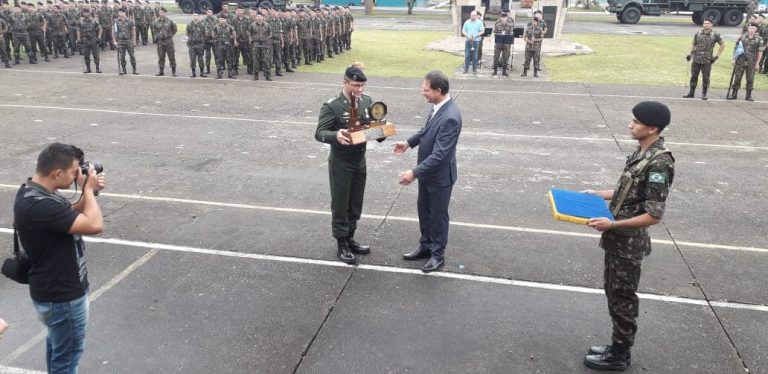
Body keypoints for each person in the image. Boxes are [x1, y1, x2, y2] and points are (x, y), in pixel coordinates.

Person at [583, 101, 675, 371]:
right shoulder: (642, 154)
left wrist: (612, 226)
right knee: (613, 292)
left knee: (622, 297)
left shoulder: (659, 163)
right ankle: (617, 344)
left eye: (636, 122)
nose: (630, 125)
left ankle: (620, 355)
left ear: (653, 128)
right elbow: (629, 192)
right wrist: (600, 193)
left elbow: (654, 215)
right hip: (618, 240)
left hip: (628, 242)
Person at [14, 143, 106, 374]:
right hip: (63, 297)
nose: (79, 174)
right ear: (58, 173)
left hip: (54, 292)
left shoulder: (32, 192)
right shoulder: (39, 204)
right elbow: (94, 225)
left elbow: (69, 214)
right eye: (75, 170)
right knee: (67, 361)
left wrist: (91, 192)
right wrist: (86, 190)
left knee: (58, 351)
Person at [393, 70, 462, 273]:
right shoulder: (437, 108)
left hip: (439, 178)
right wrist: (408, 143)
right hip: (427, 173)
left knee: (438, 216)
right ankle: (426, 246)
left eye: (426, 90)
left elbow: (440, 155)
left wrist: (414, 173)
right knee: (424, 211)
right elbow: (425, 131)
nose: (423, 93)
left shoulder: (450, 117)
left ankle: (437, 255)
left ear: (438, 90)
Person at [314, 66, 375, 265]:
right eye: (356, 85)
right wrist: (336, 135)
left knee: (355, 202)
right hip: (341, 162)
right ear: (345, 82)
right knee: (341, 203)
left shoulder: (366, 101)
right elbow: (320, 133)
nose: (359, 89)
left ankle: (350, 237)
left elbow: (371, 127)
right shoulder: (332, 106)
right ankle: (342, 244)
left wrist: (381, 131)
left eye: (362, 85)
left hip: (360, 160)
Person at [683, 19, 724, 100]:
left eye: (708, 23)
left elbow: (722, 45)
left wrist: (716, 56)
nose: (706, 25)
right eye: (704, 23)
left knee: (706, 78)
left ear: (711, 25)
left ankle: (704, 93)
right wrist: (689, 53)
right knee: (694, 76)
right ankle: (691, 92)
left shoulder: (715, 34)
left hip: (707, 60)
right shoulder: (698, 33)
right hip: (696, 59)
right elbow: (693, 44)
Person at [728, 24, 763, 101]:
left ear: (756, 30)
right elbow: (736, 49)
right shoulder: (742, 37)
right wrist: (734, 59)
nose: (751, 30)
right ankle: (734, 93)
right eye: (750, 28)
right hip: (740, 61)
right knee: (737, 78)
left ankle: (748, 95)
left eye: (753, 28)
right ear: (748, 29)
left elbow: (760, 51)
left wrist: (757, 63)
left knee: (750, 79)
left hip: (751, 62)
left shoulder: (759, 39)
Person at [152, 7, 177, 76]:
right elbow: (154, 30)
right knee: (161, 57)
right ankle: (161, 71)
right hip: (160, 42)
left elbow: (175, 29)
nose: (161, 13)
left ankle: (173, 71)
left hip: (169, 42)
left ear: (165, 13)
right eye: (160, 12)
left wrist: (170, 35)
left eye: (163, 12)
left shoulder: (170, 21)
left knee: (171, 57)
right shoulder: (156, 22)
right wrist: (158, 36)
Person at [113, 8, 137, 75]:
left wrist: (134, 41)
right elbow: (114, 32)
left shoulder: (130, 21)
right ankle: (124, 70)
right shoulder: (116, 21)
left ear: (125, 13)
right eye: (119, 12)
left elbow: (133, 32)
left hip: (128, 41)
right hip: (120, 41)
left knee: (132, 55)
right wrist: (115, 41)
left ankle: (134, 69)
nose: (120, 13)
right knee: (122, 56)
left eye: (121, 12)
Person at [77, 8, 101, 73]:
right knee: (86, 55)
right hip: (85, 40)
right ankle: (88, 68)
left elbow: (100, 29)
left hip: (93, 40)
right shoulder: (80, 21)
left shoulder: (94, 21)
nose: (85, 14)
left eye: (86, 12)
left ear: (89, 13)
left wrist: (99, 37)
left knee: (96, 55)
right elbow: (78, 30)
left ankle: (97, 68)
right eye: (83, 12)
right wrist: (78, 39)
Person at [249, 10, 271, 81]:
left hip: (265, 44)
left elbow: (270, 33)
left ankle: (268, 76)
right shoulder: (252, 25)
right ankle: (255, 76)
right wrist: (251, 39)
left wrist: (267, 39)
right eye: (258, 16)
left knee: (266, 60)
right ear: (256, 17)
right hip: (256, 44)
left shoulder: (267, 25)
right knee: (255, 60)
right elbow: (249, 33)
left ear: (263, 17)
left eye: (260, 16)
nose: (259, 18)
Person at [212, 13, 236, 79]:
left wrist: (231, 37)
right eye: (221, 19)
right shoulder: (216, 27)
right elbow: (213, 36)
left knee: (229, 60)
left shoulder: (230, 27)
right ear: (219, 19)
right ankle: (219, 74)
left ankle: (230, 74)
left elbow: (234, 34)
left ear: (226, 20)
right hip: (219, 45)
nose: (222, 20)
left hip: (228, 45)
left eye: (224, 19)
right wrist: (219, 37)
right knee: (219, 60)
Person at [492, 11, 514, 76]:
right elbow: (494, 32)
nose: (503, 19)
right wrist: (499, 35)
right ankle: (495, 71)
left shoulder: (510, 23)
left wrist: (509, 36)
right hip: (498, 43)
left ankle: (504, 71)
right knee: (496, 57)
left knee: (505, 57)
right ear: (501, 17)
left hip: (506, 44)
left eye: (504, 17)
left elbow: (511, 33)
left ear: (507, 17)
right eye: (502, 17)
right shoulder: (497, 23)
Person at [186, 10, 206, 78]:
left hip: (200, 44)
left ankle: (202, 72)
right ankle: (193, 73)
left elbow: (205, 33)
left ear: (199, 16)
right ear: (192, 16)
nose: (195, 16)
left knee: (201, 59)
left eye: (196, 15)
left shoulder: (202, 25)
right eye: (194, 15)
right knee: (192, 59)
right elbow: (187, 33)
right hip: (192, 45)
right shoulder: (189, 25)